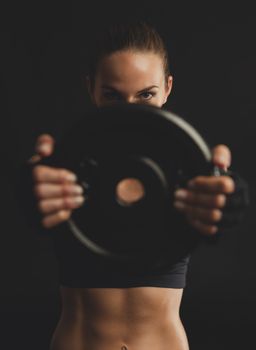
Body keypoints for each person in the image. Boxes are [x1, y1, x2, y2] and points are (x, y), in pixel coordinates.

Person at [28, 21, 245, 350]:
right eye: (113, 96)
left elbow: (220, 191)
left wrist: (229, 196)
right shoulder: (67, 166)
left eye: (145, 95)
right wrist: (29, 188)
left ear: (167, 89)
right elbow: (34, 181)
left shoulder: (185, 168)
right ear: (92, 89)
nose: (129, 112)